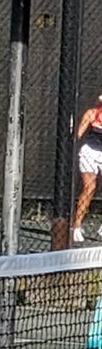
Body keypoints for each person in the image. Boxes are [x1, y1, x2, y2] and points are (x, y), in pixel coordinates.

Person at [72, 93, 102, 243]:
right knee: (89, 188)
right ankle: (76, 226)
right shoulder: (91, 113)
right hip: (89, 152)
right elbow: (78, 135)